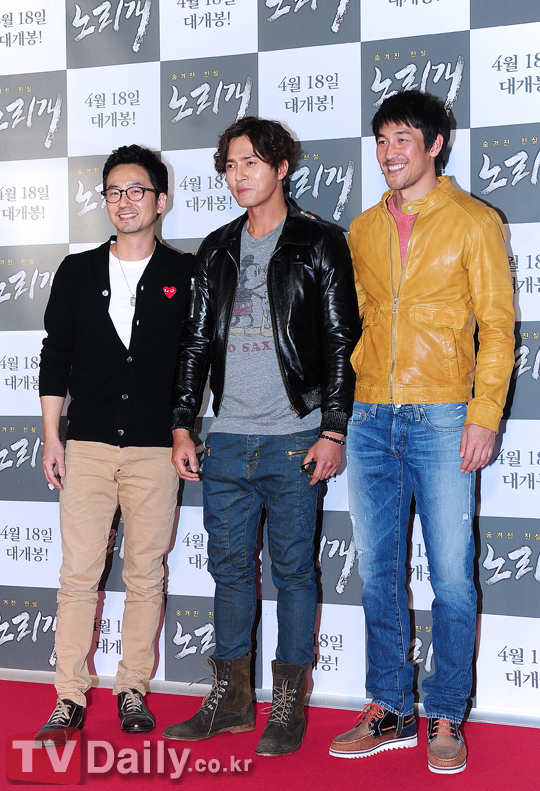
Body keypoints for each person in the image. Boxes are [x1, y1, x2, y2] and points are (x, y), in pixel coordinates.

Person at [329, 90, 515, 774]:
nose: (389, 153)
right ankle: (389, 705)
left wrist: (483, 415)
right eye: (381, 140)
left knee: (453, 579)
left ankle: (446, 711)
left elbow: (498, 328)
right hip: (370, 417)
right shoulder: (361, 229)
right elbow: (352, 324)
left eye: (402, 139)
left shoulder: (475, 221)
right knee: (378, 573)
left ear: (436, 144)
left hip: (442, 416)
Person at [162, 117, 358, 756]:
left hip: (294, 438)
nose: (238, 175)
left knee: (294, 573)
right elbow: (195, 343)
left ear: (281, 167)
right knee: (229, 573)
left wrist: (333, 429)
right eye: (229, 165)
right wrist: (183, 424)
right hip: (225, 439)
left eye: (250, 162)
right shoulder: (217, 248)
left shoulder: (319, 242)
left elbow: (340, 342)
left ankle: (290, 704)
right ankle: (231, 701)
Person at [36, 144, 194, 743]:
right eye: (114, 192)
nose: (125, 201)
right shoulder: (76, 271)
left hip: (155, 450)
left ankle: (133, 688)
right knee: (78, 575)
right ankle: (68, 696)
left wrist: (182, 429)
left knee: (145, 574)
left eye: (137, 190)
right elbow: (55, 356)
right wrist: (52, 437)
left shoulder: (185, 273)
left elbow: (196, 363)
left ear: (161, 200)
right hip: (88, 447)